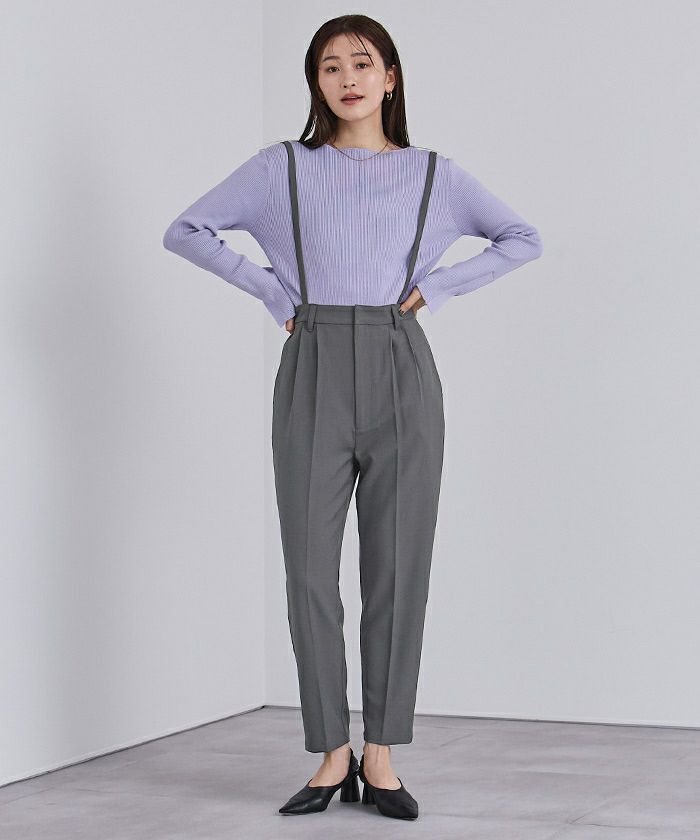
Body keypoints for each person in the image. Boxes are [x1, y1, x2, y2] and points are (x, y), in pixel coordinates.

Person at [162, 14, 542, 821]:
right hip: (314, 361)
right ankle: (331, 752)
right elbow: (185, 230)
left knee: (397, 570)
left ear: (390, 76)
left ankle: (382, 755)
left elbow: (521, 238)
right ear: (316, 82)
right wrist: (271, 290)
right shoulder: (282, 169)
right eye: (329, 66)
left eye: (362, 63)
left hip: (402, 364)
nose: (347, 79)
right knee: (308, 570)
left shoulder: (434, 175)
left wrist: (437, 290)